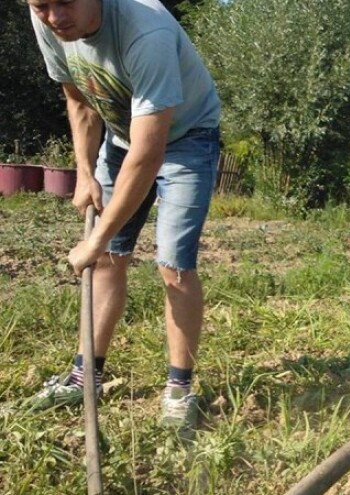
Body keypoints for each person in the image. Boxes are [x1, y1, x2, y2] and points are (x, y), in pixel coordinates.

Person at [24, 0, 221, 430]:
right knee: (107, 260)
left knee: (173, 264)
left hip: (187, 138)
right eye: (41, 6)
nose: (55, 17)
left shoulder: (145, 30)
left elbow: (149, 152)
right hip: (120, 136)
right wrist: (83, 173)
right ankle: (84, 376)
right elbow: (78, 98)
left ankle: (178, 389)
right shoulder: (52, 24)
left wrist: (94, 239)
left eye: (65, 3)